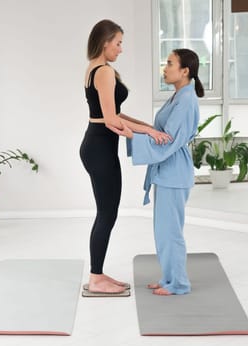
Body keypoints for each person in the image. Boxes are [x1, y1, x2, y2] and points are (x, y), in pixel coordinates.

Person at [79, 19, 171, 297]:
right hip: (99, 148)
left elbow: (114, 114)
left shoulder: (96, 69)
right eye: (118, 43)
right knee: (107, 213)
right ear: (105, 42)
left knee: (106, 212)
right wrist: (146, 132)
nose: (121, 49)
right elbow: (110, 120)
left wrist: (146, 127)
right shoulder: (104, 72)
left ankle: (98, 273)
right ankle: (96, 278)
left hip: (96, 146)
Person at [115, 48, 204, 295]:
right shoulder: (178, 95)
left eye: (170, 63)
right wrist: (128, 122)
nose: (165, 68)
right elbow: (158, 131)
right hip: (168, 171)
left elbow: (170, 140)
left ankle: (179, 284)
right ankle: (168, 278)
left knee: (170, 231)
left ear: (185, 71)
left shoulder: (186, 100)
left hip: (174, 173)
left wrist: (132, 134)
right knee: (163, 231)